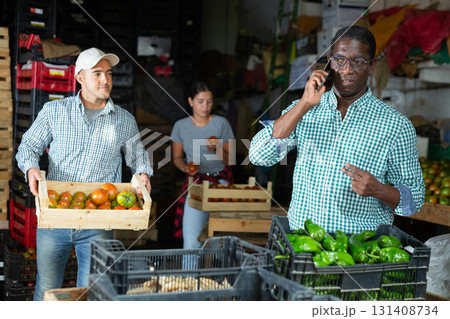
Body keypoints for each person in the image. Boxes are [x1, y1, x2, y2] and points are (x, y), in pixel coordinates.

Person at [249, 26, 425, 233]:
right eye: (339, 60)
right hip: (302, 243)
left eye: (358, 61)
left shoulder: (395, 125)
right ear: (329, 63)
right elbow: (259, 156)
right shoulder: (305, 109)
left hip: (357, 252)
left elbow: (414, 201)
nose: (347, 69)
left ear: (372, 66)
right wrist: (304, 105)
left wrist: (379, 190)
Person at [15, 48, 153, 300]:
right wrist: (31, 167)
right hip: (55, 216)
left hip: (98, 222)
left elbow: (139, 157)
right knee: (47, 289)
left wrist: (142, 173)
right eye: (97, 73)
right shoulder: (54, 111)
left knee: (90, 293)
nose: (105, 80)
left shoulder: (124, 120)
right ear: (79, 77)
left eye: (108, 73)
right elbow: (29, 146)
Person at [171, 82, 235, 249]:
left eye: (209, 101)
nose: (205, 106)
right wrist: (185, 168)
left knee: (220, 241)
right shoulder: (180, 126)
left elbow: (231, 160)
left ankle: (217, 275)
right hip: (196, 183)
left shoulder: (222, 123)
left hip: (221, 182)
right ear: (190, 101)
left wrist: (217, 148)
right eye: (200, 101)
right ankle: (190, 275)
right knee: (191, 241)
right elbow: (177, 157)